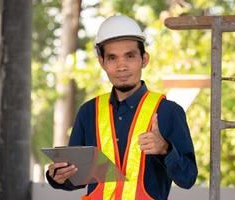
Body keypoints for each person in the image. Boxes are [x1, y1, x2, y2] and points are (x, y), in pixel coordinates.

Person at [46, 15, 198, 200]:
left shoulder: (168, 112)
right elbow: (76, 177)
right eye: (112, 58)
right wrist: (59, 177)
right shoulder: (89, 112)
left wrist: (165, 149)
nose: (121, 66)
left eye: (130, 56)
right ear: (102, 62)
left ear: (144, 59)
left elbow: (188, 179)